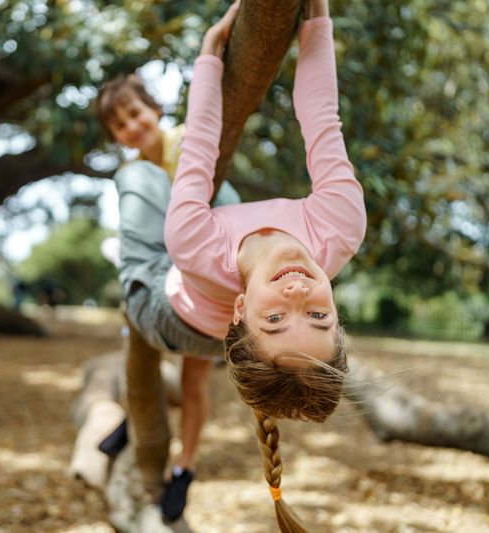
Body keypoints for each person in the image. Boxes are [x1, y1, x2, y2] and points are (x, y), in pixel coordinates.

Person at [108, 0, 366, 527]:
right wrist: (316, 23)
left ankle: (159, 446)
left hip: (170, 313)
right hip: (215, 300)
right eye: (319, 318)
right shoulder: (340, 224)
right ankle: (129, 423)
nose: (299, 299)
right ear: (337, 314)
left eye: (277, 320)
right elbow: (321, 116)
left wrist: (208, 58)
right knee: (215, 194)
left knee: (141, 180)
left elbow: (200, 142)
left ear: (243, 309)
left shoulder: (194, 244)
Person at [96, 59, 242, 522]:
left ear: (154, 109)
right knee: (138, 344)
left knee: (195, 381)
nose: (130, 127)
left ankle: (185, 468)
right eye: (119, 125)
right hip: (163, 271)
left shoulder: (185, 144)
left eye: (135, 114)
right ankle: (134, 419)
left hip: (203, 272)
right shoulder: (136, 171)